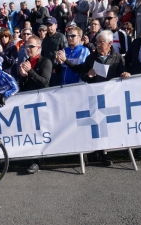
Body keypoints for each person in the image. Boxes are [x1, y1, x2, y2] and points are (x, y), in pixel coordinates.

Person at [80, 30, 131, 166]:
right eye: (96, 42)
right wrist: (88, 75)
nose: (97, 45)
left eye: (100, 42)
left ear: (109, 43)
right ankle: (96, 151)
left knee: (108, 125)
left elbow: (122, 71)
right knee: (97, 124)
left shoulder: (118, 57)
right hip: (95, 96)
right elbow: (83, 75)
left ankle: (106, 153)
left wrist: (125, 74)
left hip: (112, 97)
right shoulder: (91, 58)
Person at [19, 35, 52, 173]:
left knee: (40, 131)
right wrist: (23, 77)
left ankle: (37, 161)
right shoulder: (26, 62)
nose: (28, 49)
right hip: (28, 102)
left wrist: (30, 72)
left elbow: (44, 82)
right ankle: (30, 157)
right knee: (29, 130)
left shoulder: (45, 62)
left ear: (39, 48)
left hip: (40, 102)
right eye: (26, 46)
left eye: (31, 46)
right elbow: (23, 86)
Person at [41, 16, 68, 86]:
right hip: (46, 70)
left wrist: (58, 68)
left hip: (56, 70)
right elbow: (43, 54)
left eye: (51, 25)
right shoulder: (45, 39)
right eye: (47, 25)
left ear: (56, 25)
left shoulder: (61, 37)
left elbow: (65, 54)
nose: (49, 27)